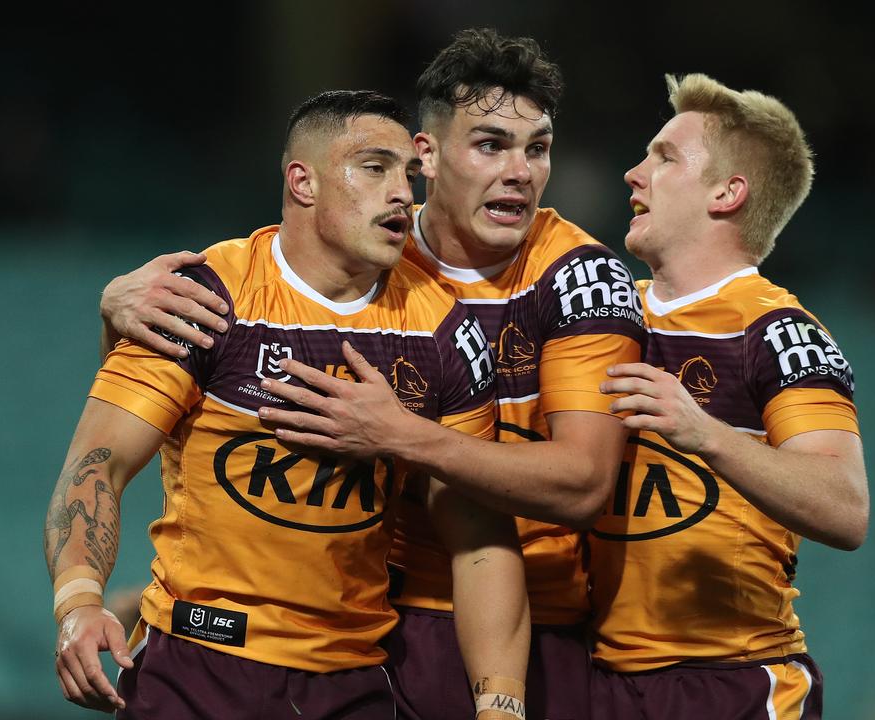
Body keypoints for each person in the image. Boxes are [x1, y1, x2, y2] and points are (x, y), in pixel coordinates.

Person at [100, 29, 646, 720]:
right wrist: (114, 313)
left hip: (526, 616)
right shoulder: (365, 242)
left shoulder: (581, 278)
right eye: (490, 145)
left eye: (536, 148)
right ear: (426, 155)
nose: (520, 172)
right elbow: (199, 387)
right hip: (368, 624)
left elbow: (583, 484)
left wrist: (401, 436)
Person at [43, 90, 530, 720]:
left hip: (350, 682)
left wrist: (500, 704)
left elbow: (479, 534)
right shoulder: (208, 297)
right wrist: (78, 605)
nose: (403, 194)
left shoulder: (442, 330)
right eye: (374, 167)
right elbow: (97, 465)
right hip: (197, 670)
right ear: (302, 181)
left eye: (408, 175)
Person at [590, 73, 870, 718]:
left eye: (664, 158)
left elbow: (845, 507)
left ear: (727, 192)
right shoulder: (600, 315)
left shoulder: (776, 329)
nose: (634, 174)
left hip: (727, 682)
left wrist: (705, 432)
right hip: (594, 676)